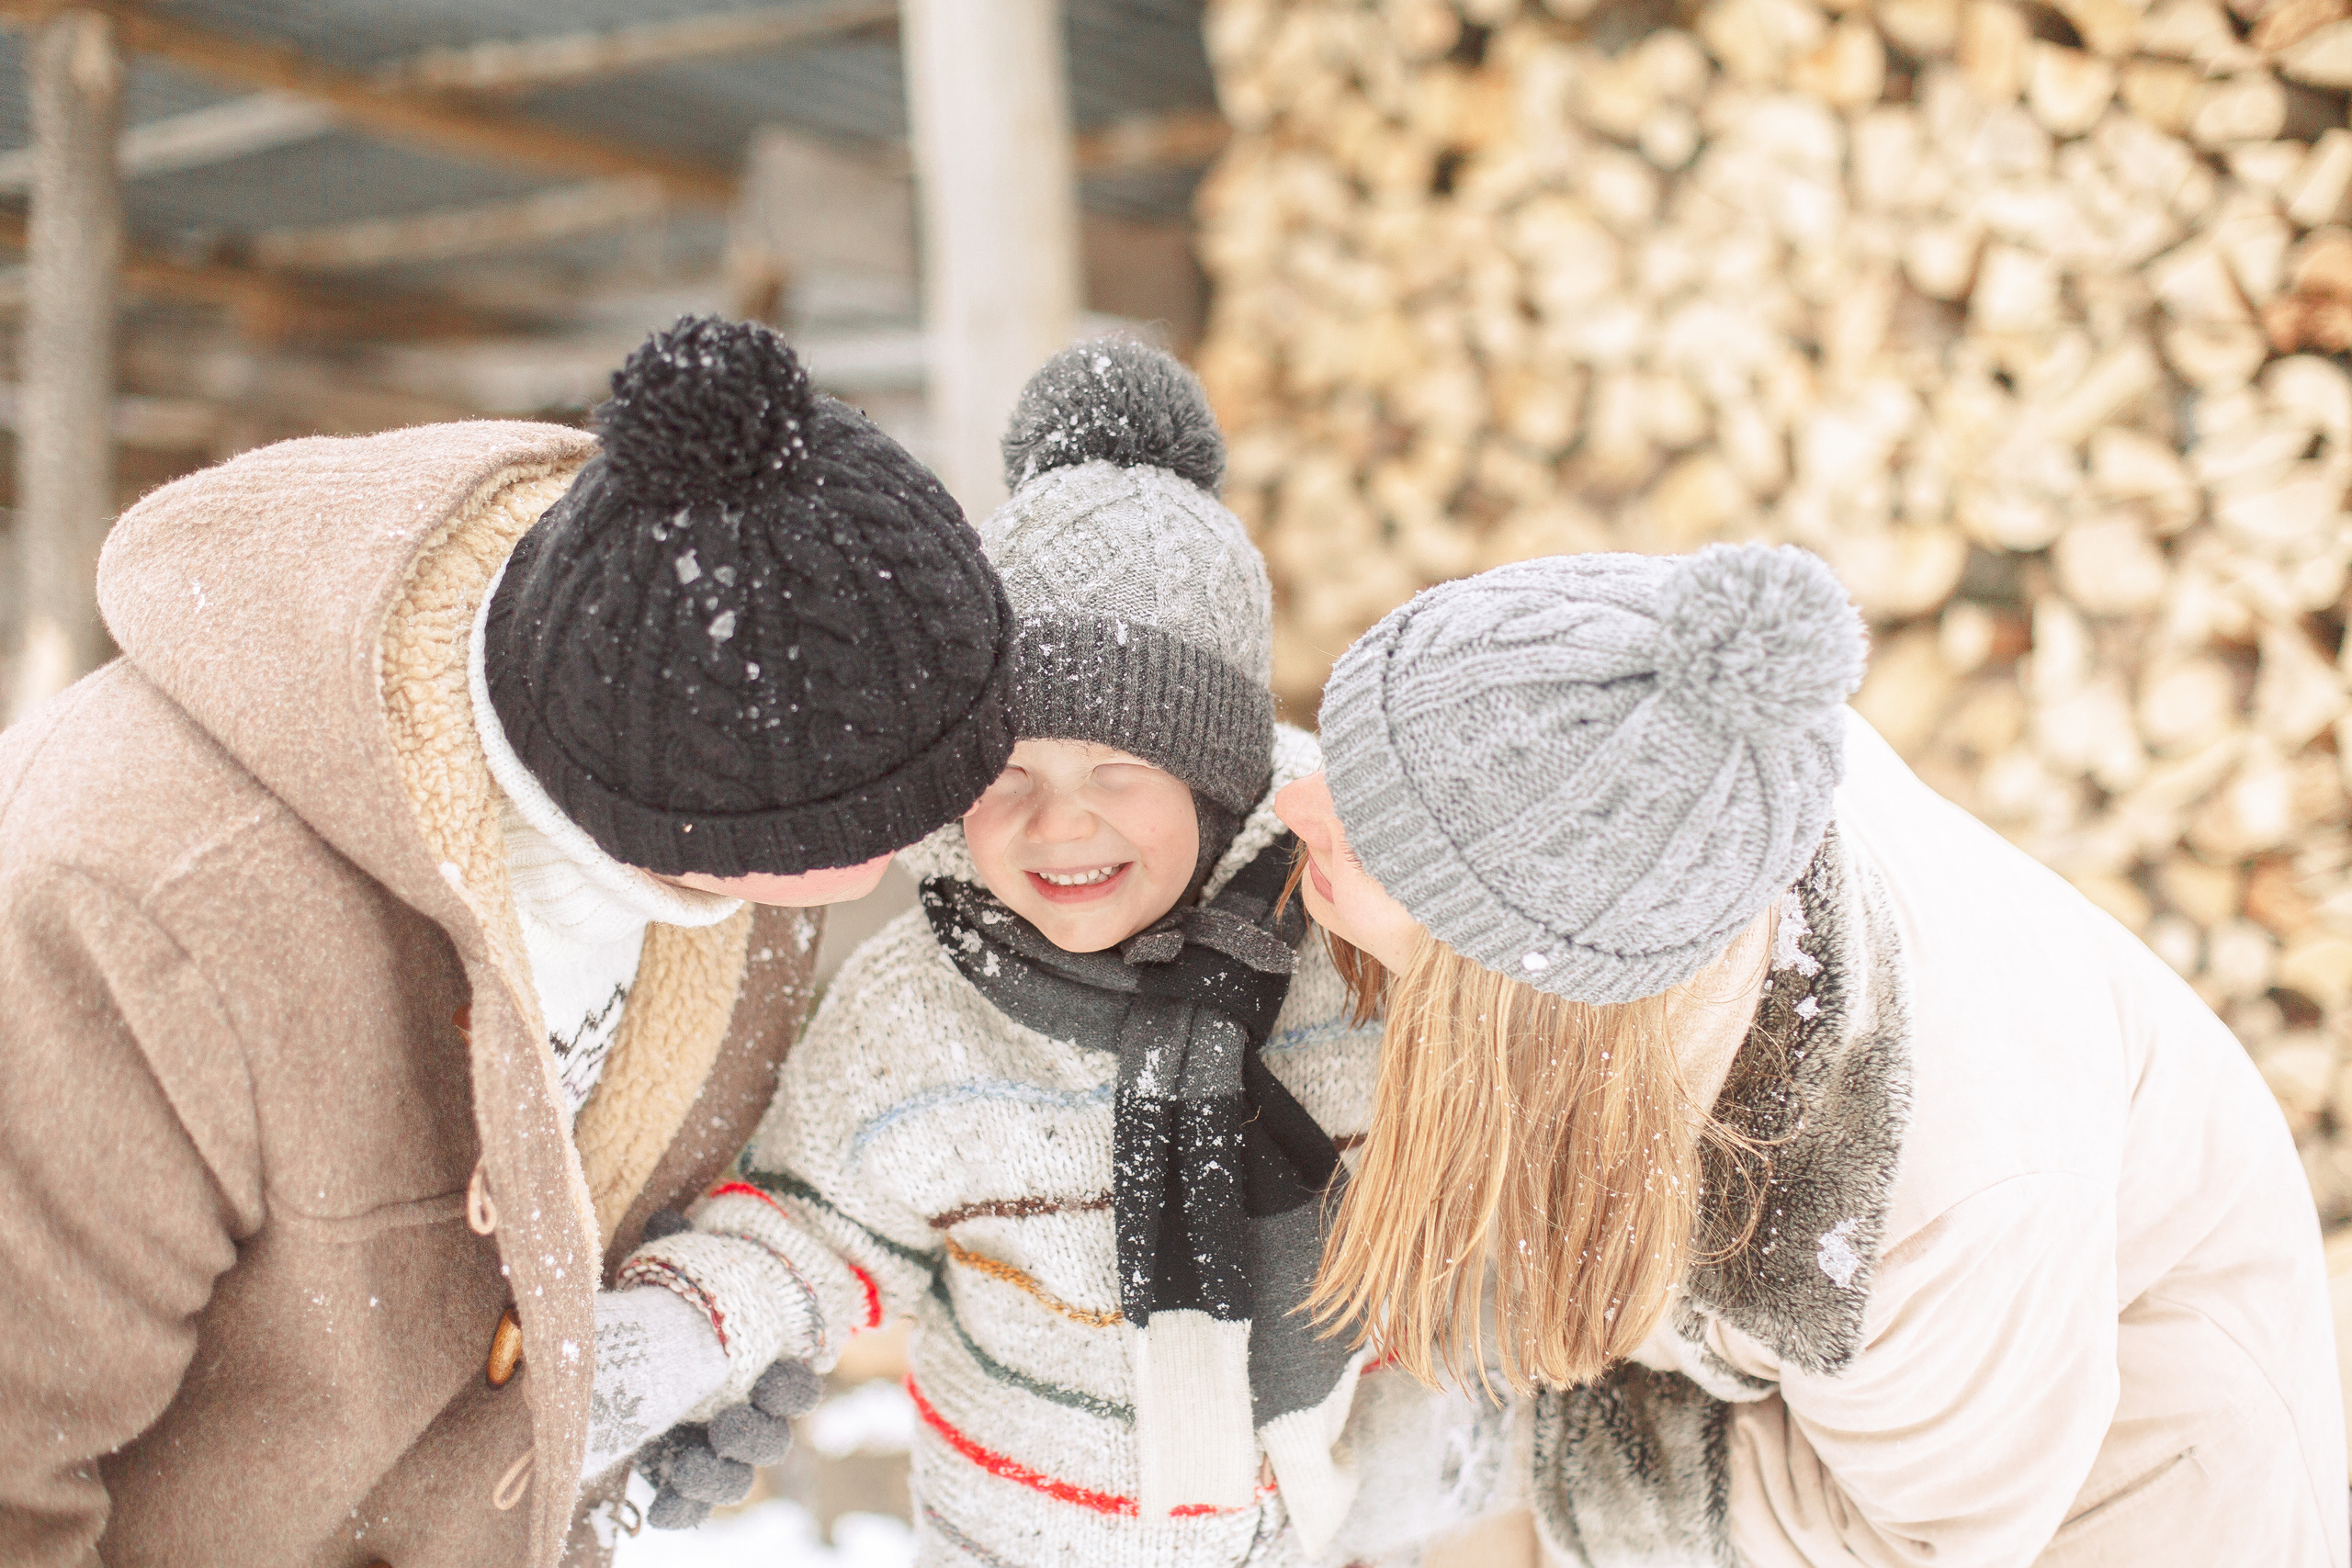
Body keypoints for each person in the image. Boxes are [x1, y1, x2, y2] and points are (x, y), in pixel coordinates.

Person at [0, 315, 1018, 1568]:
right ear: (727, 803)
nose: (947, 832)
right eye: (886, 812)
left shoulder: (728, 810)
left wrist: (656, 1352)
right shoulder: (140, 909)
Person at [594, 341, 1515, 1566]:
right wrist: (677, 1340)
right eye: (1007, 772)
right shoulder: (918, 1009)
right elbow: (814, 1226)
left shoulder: (1350, 951)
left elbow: (1502, 1167)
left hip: (1329, 1530)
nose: (1057, 821)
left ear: (1219, 778)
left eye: (1120, 770)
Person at [1275, 543, 2349, 1566]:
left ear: (1518, 985)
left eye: (1367, 836)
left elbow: (1916, 1544)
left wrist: (1501, 1455)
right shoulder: (1664, 755)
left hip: (2121, 1502)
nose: (1293, 804)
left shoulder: (1928, 1209)